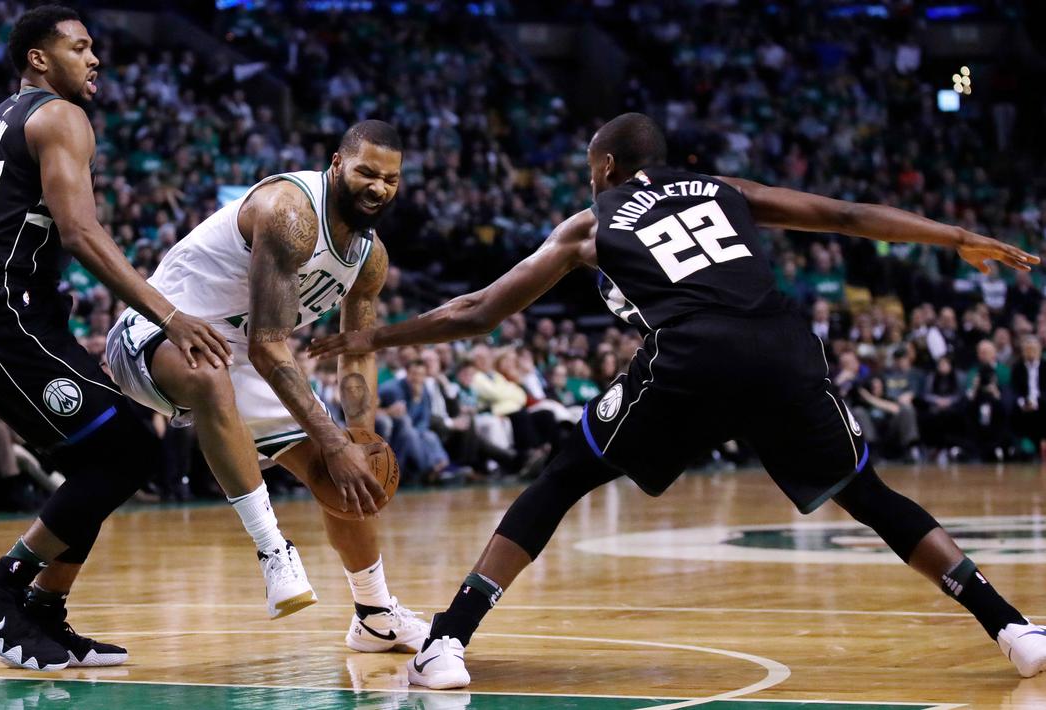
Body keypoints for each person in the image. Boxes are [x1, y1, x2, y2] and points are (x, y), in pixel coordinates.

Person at [309, 113, 1046, 686]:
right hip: (784, 348)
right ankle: (1013, 629)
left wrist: (371, 339)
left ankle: (447, 639)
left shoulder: (591, 221)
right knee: (869, 493)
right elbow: (848, 216)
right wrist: (955, 237)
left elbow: (476, 311)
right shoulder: (727, 191)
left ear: (603, 166)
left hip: (694, 354)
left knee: (565, 476)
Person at [0, 5, 233, 671]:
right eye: (80, 48)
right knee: (129, 449)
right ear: (38, 58)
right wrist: (169, 315)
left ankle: (43, 612)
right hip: (4, 315)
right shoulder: (60, 116)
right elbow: (81, 233)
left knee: (110, 454)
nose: (94, 60)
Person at [106, 120, 429, 652]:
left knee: (342, 472)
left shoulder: (370, 258)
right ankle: (273, 551)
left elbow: (358, 350)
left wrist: (358, 441)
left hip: (243, 355)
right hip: (156, 335)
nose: (378, 187)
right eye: (366, 172)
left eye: (390, 179)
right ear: (336, 165)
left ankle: (375, 614)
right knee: (212, 375)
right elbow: (267, 344)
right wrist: (331, 437)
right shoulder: (291, 212)